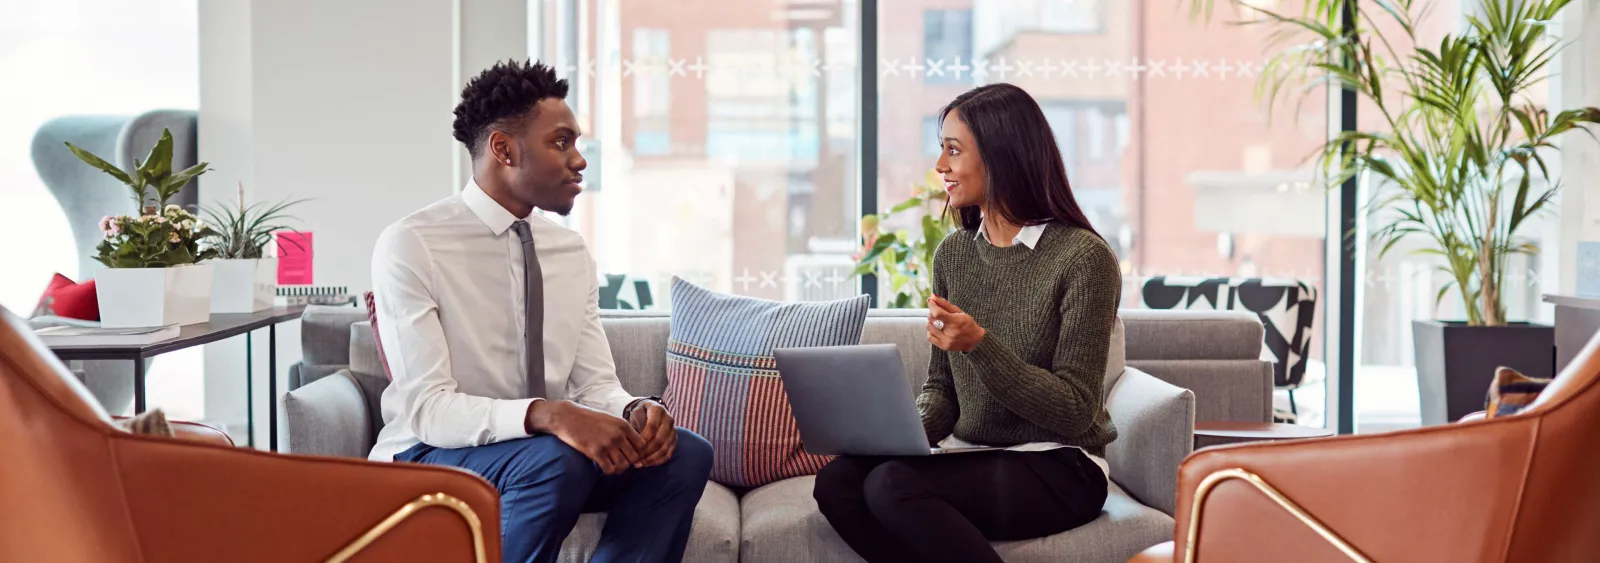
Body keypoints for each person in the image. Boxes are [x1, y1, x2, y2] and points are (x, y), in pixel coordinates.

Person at [368, 60, 713, 563]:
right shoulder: (413, 244)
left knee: (684, 454)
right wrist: (550, 416)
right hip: (430, 453)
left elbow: (596, 386)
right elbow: (428, 410)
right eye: (560, 142)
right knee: (555, 461)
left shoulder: (569, 253)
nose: (579, 160)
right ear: (504, 149)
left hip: (548, 459)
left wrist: (633, 410)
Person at [812, 83, 1120, 563]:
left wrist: (979, 343)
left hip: (1059, 465)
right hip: (973, 454)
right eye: (942, 150)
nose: (940, 167)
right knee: (838, 483)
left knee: (893, 486)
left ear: (1001, 156)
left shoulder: (1084, 258)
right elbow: (942, 388)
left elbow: (1076, 410)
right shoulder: (954, 254)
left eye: (953, 150)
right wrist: (904, 431)